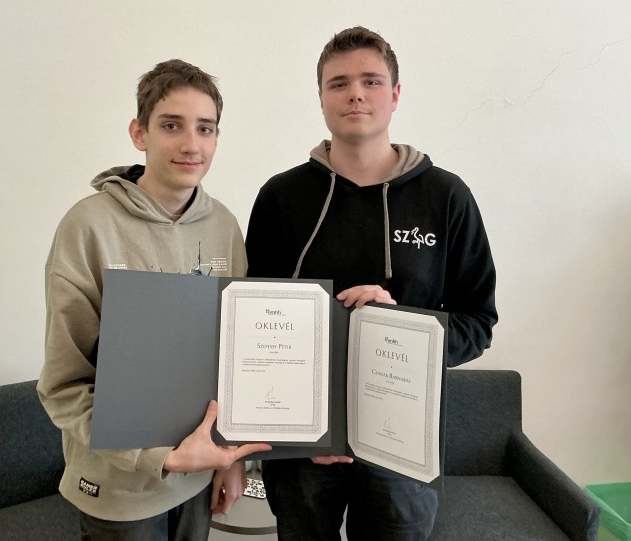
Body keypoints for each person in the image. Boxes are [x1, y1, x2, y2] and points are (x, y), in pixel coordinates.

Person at [245, 27, 498, 540]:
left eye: (371, 81)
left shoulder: (446, 197)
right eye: (338, 84)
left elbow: (478, 322)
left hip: (400, 445)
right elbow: (249, 326)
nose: (355, 94)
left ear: (395, 94)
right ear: (320, 98)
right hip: (302, 444)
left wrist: (399, 325)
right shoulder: (280, 198)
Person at [38, 59, 270, 541]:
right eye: (171, 125)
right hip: (120, 492)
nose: (191, 144)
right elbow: (63, 385)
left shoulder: (224, 227)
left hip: (198, 481)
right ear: (138, 133)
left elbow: (233, 362)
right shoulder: (88, 228)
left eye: (205, 128)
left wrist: (232, 461)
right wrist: (155, 458)